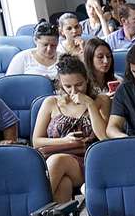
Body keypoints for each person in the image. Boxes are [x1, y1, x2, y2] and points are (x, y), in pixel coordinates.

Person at [31, 55, 111, 202]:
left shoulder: (100, 101)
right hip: (52, 161)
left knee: (58, 161)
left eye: (79, 84)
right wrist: (65, 141)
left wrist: (90, 104)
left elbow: (103, 137)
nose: (74, 90)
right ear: (60, 83)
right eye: (68, 86)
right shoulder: (51, 103)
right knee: (63, 185)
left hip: (87, 161)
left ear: (87, 79)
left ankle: (31, 213)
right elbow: (36, 141)